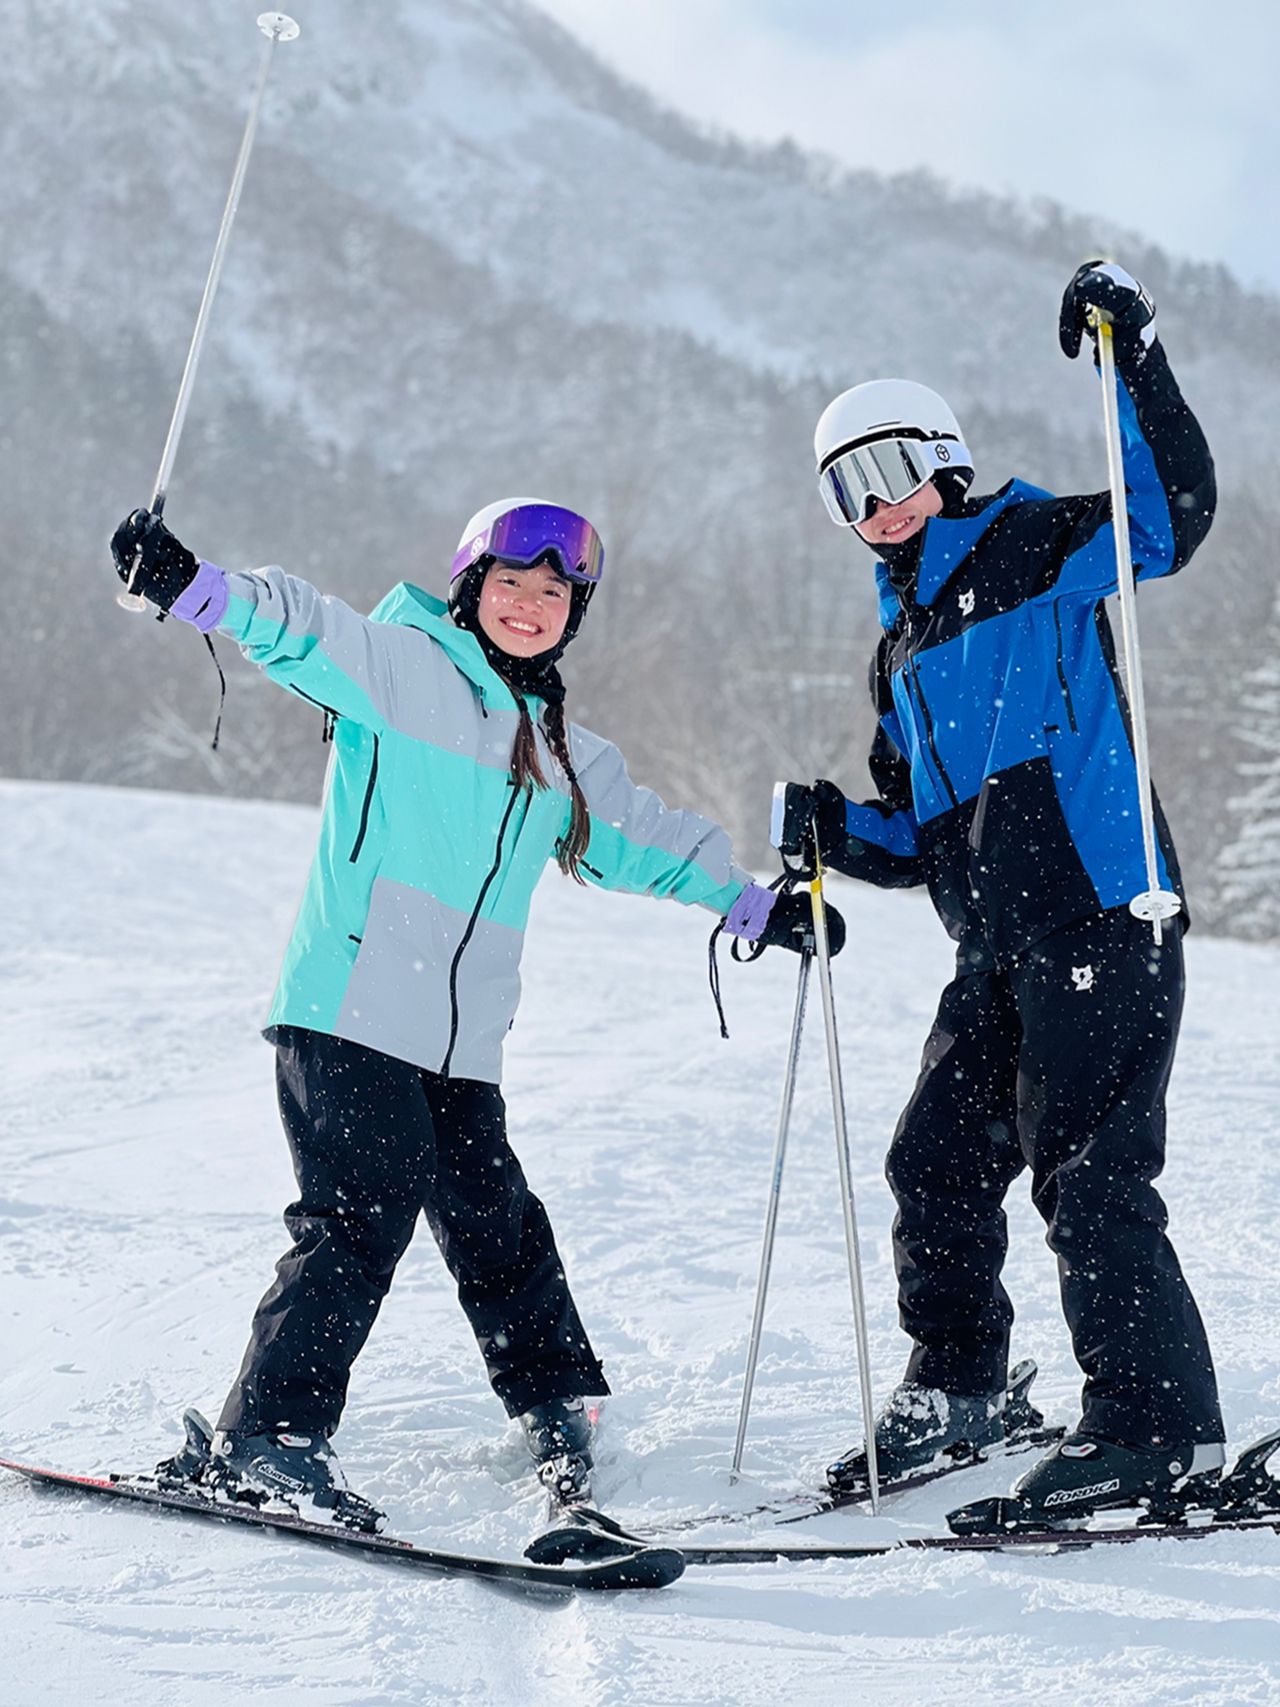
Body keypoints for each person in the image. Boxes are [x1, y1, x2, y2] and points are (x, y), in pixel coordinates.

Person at [110, 496, 833, 1530]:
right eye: (511, 585)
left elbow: (640, 835)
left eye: (553, 594)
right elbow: (300, 628)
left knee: (495, 1220)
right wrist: (197, 587)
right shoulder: (401, 667)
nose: (530, 607)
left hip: (459, 1039)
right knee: (358, 1219)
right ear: (470, 589)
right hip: (350, 1006)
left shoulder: (554, 745)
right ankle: (266, 1439)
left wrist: (755, 903)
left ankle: (551, 1398)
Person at [776, 262, 1225, 1524]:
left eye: (888, 473)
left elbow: (1168, 515)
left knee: (1085, 1173)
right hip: (996, 949)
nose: (873, 508)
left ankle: (1153, 1426)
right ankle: (962, 1390)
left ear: (945, 463)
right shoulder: (899, 652)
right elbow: (919, 834)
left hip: (1101, 909)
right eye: (843, 494)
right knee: (933, 1160)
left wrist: (1129, 354)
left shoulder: (1032, 544)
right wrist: (827, 831)